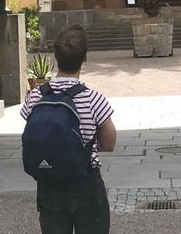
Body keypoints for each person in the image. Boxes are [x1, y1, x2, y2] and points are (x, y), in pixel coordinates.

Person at [21, 23, 116, 234]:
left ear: (56, 57)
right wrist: (80, 148)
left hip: (49, 183)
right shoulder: (93, 99)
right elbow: (110, 143)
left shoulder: (35, 96)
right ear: (84, 58)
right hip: (85, 182)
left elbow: (34, 131)